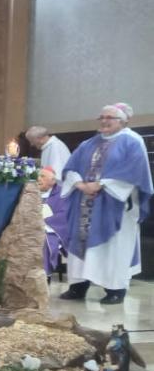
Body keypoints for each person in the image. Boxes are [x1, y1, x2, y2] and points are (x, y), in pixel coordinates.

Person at [59, 104, 153, 305]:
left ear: (123, 121)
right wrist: (80, 184)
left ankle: (115, 289)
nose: (104, 120)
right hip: (84, 201)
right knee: (81, 244)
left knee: (113, 247)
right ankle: (78, 286)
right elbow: (70, 167)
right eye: (101, 117)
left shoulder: (132, 142)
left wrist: (101, 184)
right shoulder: (88, 143)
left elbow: (135, 172)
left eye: (110, 117)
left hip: (115, 205)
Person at [39, 167, 69, 278]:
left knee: (44, 243)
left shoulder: (62, 193)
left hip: (52, 230)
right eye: (38, 176)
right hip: (30, 229)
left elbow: (64, 215)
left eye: (43, 176)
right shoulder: (31, 191)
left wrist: (44, 222)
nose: (38, 179)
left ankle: (44, 278)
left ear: (53, 181)